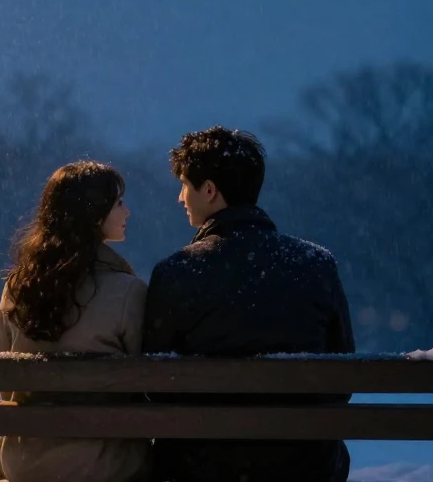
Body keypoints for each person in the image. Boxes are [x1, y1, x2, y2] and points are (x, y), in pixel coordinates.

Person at [142, 126, 354, 482]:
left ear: (209, 190)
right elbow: (341, 376)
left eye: (184, 185)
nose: (180, 198)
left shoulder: (176, 272)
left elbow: (155, 385)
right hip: (305, 466)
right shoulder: (316, 264)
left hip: (200, 468)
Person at [0, 161, 150, 482]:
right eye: (118, 203)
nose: (127, 211)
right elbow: (142, 382)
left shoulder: (18, 286)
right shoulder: (127, 291)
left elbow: (6, 384)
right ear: (95, 214)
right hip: (105, 464)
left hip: (25, 462)